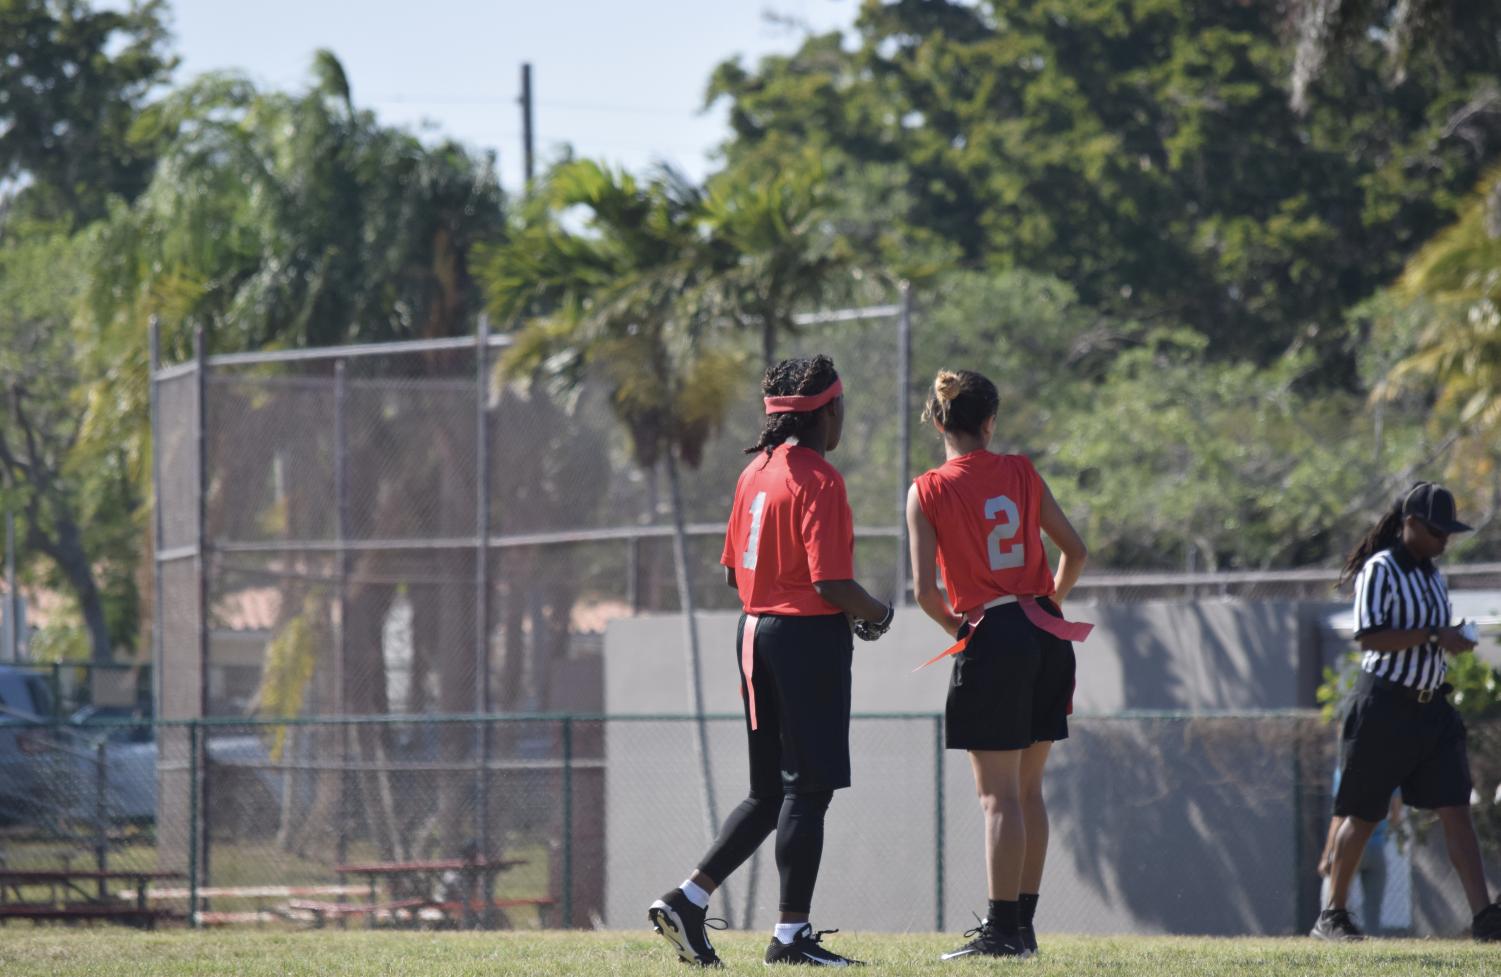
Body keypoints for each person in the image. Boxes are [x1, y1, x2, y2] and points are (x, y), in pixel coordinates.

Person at [648, 354, 895, 968]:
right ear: (828, 410)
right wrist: (878, 612)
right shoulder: (818, 478)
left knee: (768, 793)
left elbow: (734, 570)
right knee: (807, 792)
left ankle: (688, 898)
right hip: (804, 638)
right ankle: (790, 938)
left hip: (754, 631)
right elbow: (832, 582)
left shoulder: (754, 471)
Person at [904, 369, 1089, 960]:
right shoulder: (1021, 471)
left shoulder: (927, 489)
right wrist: (1048, 603)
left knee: (997, 799)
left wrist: (969, 633)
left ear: (937, 421)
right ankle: (1023, 927)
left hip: (994, 634)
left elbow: (925, 594)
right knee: (1029, 791)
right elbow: (1075, 551)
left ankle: (1001, 931)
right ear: (989, 422)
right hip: (1044, 630)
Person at [1312, 482, 1501, 942]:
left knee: (1456, 807)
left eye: (1448, 534)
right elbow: (1371, 636)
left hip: (1430, 708)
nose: (1444, 542)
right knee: (1362, 812)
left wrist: (1453, 639)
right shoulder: (1380, 570)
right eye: (1438, 531)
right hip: (1385, 705)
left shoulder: (1434, 577)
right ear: (1410, 524)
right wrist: (1436, 636)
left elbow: (1430, 634)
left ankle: (1484, 918)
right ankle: (1332, 916)